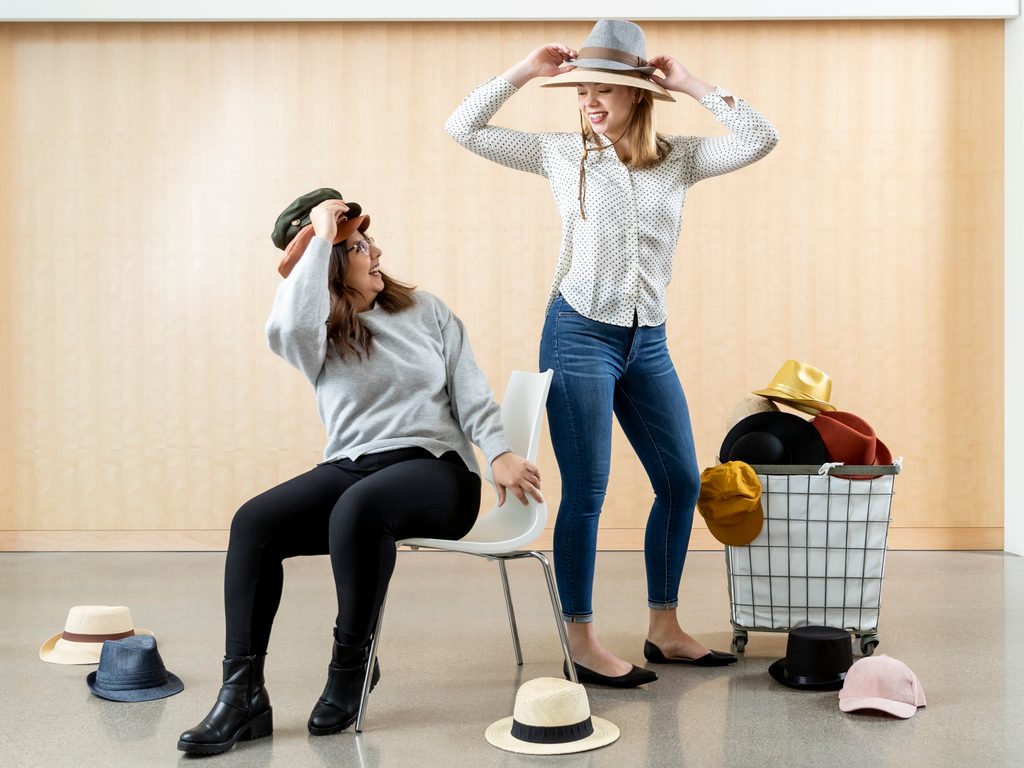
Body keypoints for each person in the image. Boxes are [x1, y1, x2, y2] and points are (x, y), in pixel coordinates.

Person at [445, 19, 778, 687]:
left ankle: (664, 628)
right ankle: (582, 638)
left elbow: (758, 139)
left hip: (646, 337)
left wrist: (688, 82)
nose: (589, 100)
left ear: (638, 95)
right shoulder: (560, 153)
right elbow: (463, 127)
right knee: (589, 490)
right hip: (578, 332)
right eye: (581, 91)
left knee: (681, 482)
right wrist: (525, 70)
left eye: (605, 90)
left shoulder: (679, 159)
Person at [177, 195, 543, 755]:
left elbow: (470, 390)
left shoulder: (426, 311)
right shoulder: (314, 328)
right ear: (326, 266)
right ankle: (242, 695)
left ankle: (352, 665)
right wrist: (319, 239)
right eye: (355, 248)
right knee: (253, 523)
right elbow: (281, 330)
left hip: (437, 470)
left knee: (359, 508)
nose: (374, 253)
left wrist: (497, 452)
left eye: (368, 241)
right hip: (353, 466)